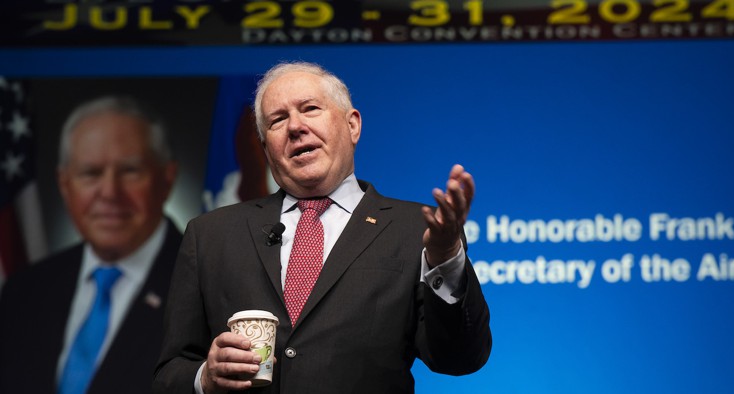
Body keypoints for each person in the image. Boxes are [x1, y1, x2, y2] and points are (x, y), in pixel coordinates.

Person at [153, 61, 491, 393]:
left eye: (310, 109)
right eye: (278, 119)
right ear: (266, 148)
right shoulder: (210, 234)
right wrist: (204, 379)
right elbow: (170, 373)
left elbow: (460, 358)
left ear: (353, 125)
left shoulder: (416, 230)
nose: (295, 127)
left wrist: (445, 258)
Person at [0, 96, 182, 394]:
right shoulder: (24, 291)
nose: (110, 192)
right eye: (91, 173)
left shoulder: (208, 287)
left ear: (167, 179)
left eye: (129, 171)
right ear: (64, 184)